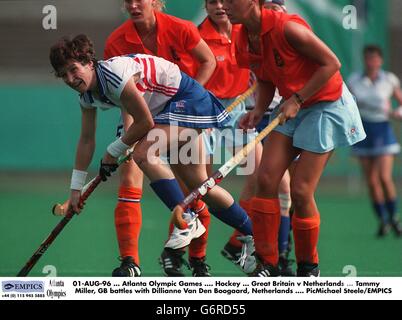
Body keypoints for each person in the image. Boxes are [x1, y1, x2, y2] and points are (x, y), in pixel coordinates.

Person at [50, 34, 256, 277]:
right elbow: (86, 140)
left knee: (143, 154)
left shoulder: (112, 75)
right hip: (167, 112)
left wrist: (111, 152)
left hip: (186, 100)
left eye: (74, 69)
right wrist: (76, 190)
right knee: (200, 188)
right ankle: (256, 237)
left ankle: (189, 221)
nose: (71, 79)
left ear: (89, 62)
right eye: (64, 75)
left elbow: (144, 122)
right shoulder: (86, 96)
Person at [223, 0, 366, 276]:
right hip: (293, 103)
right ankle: (268, 263)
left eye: (231, 0)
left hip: (326, 104)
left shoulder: (287, 28)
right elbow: (265, 77)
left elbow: (331, 63)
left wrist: (298, 99)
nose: (224, 6)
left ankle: (308, 267)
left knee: (301, 191)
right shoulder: (242, 37)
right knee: (266, 180)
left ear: (254, 2)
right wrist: (259, 111)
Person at [104, 0, 217, 276]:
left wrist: (190, 102)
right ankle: (130, 262)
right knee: (130, 177)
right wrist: (130, 139)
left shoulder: (181, 29)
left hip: (181, 117)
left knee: (195, 187)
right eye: (127, 1)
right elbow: (124, 99)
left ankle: (196, 259)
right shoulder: (117, 41)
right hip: (139, 115)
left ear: (155, 1)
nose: (133, 5)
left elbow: (208, 60)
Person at [198, 0, 294, 276]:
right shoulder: (248, 35)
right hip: (254, 114)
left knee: (275, 185)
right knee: (275, 184)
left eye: (280, 11)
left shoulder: (286, 33)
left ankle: (262, 250)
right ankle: (272, 255)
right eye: (271, 10)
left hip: (282, 112)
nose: (275, 16)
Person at [348, 45, 402, 237]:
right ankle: (383, 220)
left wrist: (398, 112)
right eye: (368, 58)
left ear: (381, 61)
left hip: (383, 129)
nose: (371, 62)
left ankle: (394, 217)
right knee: (371, 181)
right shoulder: (354, 80)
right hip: (364, 130)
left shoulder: (389, 80)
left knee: (384, 177)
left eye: (375, 58)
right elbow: (349, 103)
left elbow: (400, 102)